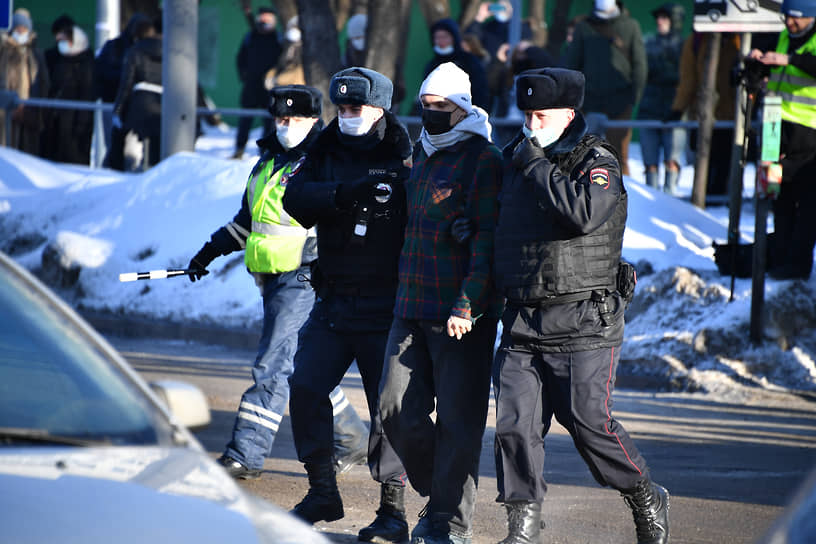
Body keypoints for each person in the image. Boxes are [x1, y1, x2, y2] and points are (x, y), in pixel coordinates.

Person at [492, 67, 669, 544]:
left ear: (568, 114)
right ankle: (523, 523)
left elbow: (584, 213)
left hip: (584, 320)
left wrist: (534, 165)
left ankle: (644, 494)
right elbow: (498, 225)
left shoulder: (597, 160)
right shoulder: (517, 158)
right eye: (526, 113)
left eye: (541, 115)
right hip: (523, 320)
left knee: (590, 427)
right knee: (515, 426)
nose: (531, 124)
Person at [186, 84, 369, 480]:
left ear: (314, 121)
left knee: (272, 364)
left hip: (305, 277)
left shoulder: (324, 162)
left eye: (295, 120)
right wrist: (208, 252)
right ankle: (354, 439)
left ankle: (244, 454)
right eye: (280, 119)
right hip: (270, 278)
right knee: (299, 366)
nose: (285, 126)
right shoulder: (267, 162)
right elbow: (248, 222)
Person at [281, 67, 412, 544]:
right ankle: (322, 491)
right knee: (306, 388)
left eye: (356, 108)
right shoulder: (326, 145)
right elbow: (293, 196)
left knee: (389, 410)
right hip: (334, 301)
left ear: (378, 107)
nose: (348, 116)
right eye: (342, 108)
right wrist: (339, 195)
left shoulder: (402, 150)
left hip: (386, 306)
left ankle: (392, 511)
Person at [377, 62, 503, 544]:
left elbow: (486, 242)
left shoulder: (483, 159)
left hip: (458, 315)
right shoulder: (424, 155)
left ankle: (449, 525)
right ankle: (441, 491)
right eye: (425, 107)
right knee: (393, 409)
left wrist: (467, 304)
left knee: (458, 422)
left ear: (463, 108)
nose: (430, 116)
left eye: (441, 108)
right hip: (409, 304)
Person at [749, 0, 816, 280]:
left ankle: (798, 264)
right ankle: (780, 259)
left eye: (796, 18)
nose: (789, 23)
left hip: (808, 129)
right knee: (778, 194)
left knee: (807, 200)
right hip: (775, 125)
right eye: (786, 17)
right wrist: (757, 63)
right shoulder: (784, 36)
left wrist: (788, 60)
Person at [566, 0, 647, 176]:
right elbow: (572, 64)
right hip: (588, 102)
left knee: (618, 155)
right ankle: (587, 196)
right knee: (584, 154)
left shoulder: (630, 26)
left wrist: (633, 98)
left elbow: (640, 66)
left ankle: (623, 196)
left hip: (620, 101)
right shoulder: (584, 27)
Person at [668, 32, 741, 201]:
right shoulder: (697, 40)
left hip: (731, 117)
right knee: (703, 166)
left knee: (724, 166)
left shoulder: (740, 39)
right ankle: (703, 201)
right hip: (701, 115)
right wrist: (678, 108)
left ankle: (720, 202)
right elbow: (688, 78)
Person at [637, 3, 686, 194]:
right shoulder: (647, 44)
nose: (659, 21)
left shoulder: (684, 47)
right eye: (658, 17)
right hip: (649, 108)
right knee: (649, 162)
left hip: (675, 109)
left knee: (671, 160)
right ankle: (651, 196)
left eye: (665, 17)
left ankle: (670, 198)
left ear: (675, 20)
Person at [94, 12, 152, 170]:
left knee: (129, 150)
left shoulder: (143, 49)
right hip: (114, 102)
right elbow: (102, 72)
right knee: (115, 146)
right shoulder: (116, 47)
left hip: (132, 106)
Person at [41, 15, 94, 165]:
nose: (61, 44)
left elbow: (87, 93)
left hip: (76, 122)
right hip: (57, 118)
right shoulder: (60, 60)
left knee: (73, 160)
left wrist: (81, 124)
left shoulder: (86, 62)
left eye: (65, 41)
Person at [111, 16, 162, 170]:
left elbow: (126, 83)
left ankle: (117, 172)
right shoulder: (168, 51)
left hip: (140, 104)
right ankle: (154, 172)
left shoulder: (134, 51)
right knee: (156, 147)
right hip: (162, 104)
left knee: (120, 137)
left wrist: (118, 109)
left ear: (135, 36)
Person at [233, 6, 282, 159]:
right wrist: (244, 75)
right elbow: (240, 58)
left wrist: (276, 79)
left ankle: (264, 152)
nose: (264, 23)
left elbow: (283, 63)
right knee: (245, 119)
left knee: (269, 121)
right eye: (262, 19)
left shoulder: (279, 39)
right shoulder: (250, 37)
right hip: (251, 86)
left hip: (270, 88)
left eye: (268, 20)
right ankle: (239, 149)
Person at [0, 8, 49, 154]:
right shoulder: (3, 51)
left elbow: (43, 82)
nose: (20, 32)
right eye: (17, 28)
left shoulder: (35, 54)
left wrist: (35, 109)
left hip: (28, 110)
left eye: (23, 28)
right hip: (4, 110)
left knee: (25, 151)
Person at [423, 18, 490, 111]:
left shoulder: (469, 60)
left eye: (445, 37)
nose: (441, 41)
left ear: (454, 37)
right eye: (437, 37)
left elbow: (480, 91)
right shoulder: (432, 65)